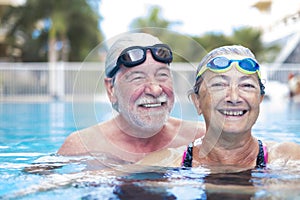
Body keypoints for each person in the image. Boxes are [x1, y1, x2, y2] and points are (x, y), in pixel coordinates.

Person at [137, 45, 300, 170]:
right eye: (219, 85)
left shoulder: (289, 159)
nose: (234, 97)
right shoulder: (163, 163)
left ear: (260, 100)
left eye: (247, 85)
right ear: (197, 102)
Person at [57, 33, 205, 165]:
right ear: (111, 89)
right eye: (138, 78)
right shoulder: (81, 147)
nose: (155, 89)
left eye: (162, 75)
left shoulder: (200, 138)